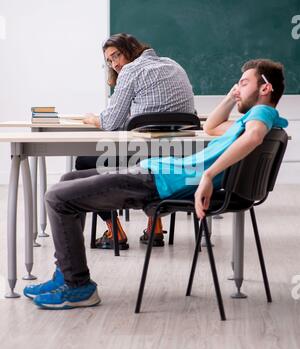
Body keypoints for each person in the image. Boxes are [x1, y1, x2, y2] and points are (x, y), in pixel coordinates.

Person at [24, 59, 288, 309]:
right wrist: (233, 96)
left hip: (158, 182)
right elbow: (212, 127)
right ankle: (66, 275)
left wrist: (208, 176)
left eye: (243, 83)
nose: (237, 87)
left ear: (265, 88)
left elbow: (253, 137)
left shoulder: (262, 114)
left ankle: (78, 286)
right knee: (68, 180)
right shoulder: (248, 121)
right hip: (157, 172)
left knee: (57, 197)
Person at [78, 33, 196, 250]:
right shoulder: (173, 65)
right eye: (109, 61)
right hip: (181, 156)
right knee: (150, 156)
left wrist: (93, 119)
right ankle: (155, 225)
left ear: (131, 49)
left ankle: (115, 231)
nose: (115, 64)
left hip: (144, 155)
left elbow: (112, 122)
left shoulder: (131, 70)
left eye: (117, 56)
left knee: (84, 162)